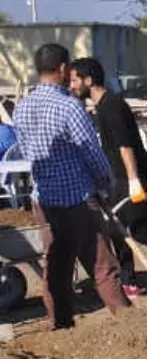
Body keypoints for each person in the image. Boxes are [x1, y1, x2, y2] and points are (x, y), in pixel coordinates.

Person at [14, 43, 130, 329]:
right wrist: (106, 183)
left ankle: (60, 324)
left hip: (43, 199)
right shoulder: (68, 106)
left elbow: (27, 150)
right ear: (63, 69)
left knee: (56, 266)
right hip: (77, 199)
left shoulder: (23, 107)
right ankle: (131, 323)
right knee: (103, 265)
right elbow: (91, 151)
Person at [69, 58, 147, 297]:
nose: (72, 85)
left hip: (134, 175)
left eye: (75, 80)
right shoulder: (101, 106)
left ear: (88, 80)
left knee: (138, 230)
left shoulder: (112, 106)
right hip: (117, 176)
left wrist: (134, 180)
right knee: (115, 227)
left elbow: (125, 146)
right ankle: (128, 282)